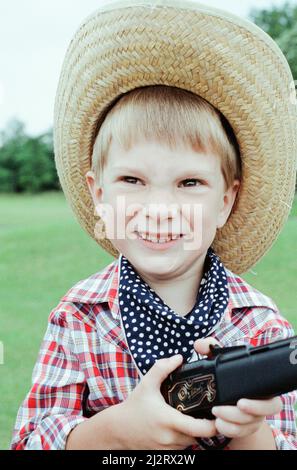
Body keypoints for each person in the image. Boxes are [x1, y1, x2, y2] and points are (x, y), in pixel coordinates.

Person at [11, 0, 297, 450]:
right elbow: (30, 439)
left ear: (226, 202)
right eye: (132, 180)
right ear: (99, 194)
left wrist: (249, 432)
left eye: (189, 182)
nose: (160, 208)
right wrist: (115, 431)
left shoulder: (260, 327)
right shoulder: (78, 318)